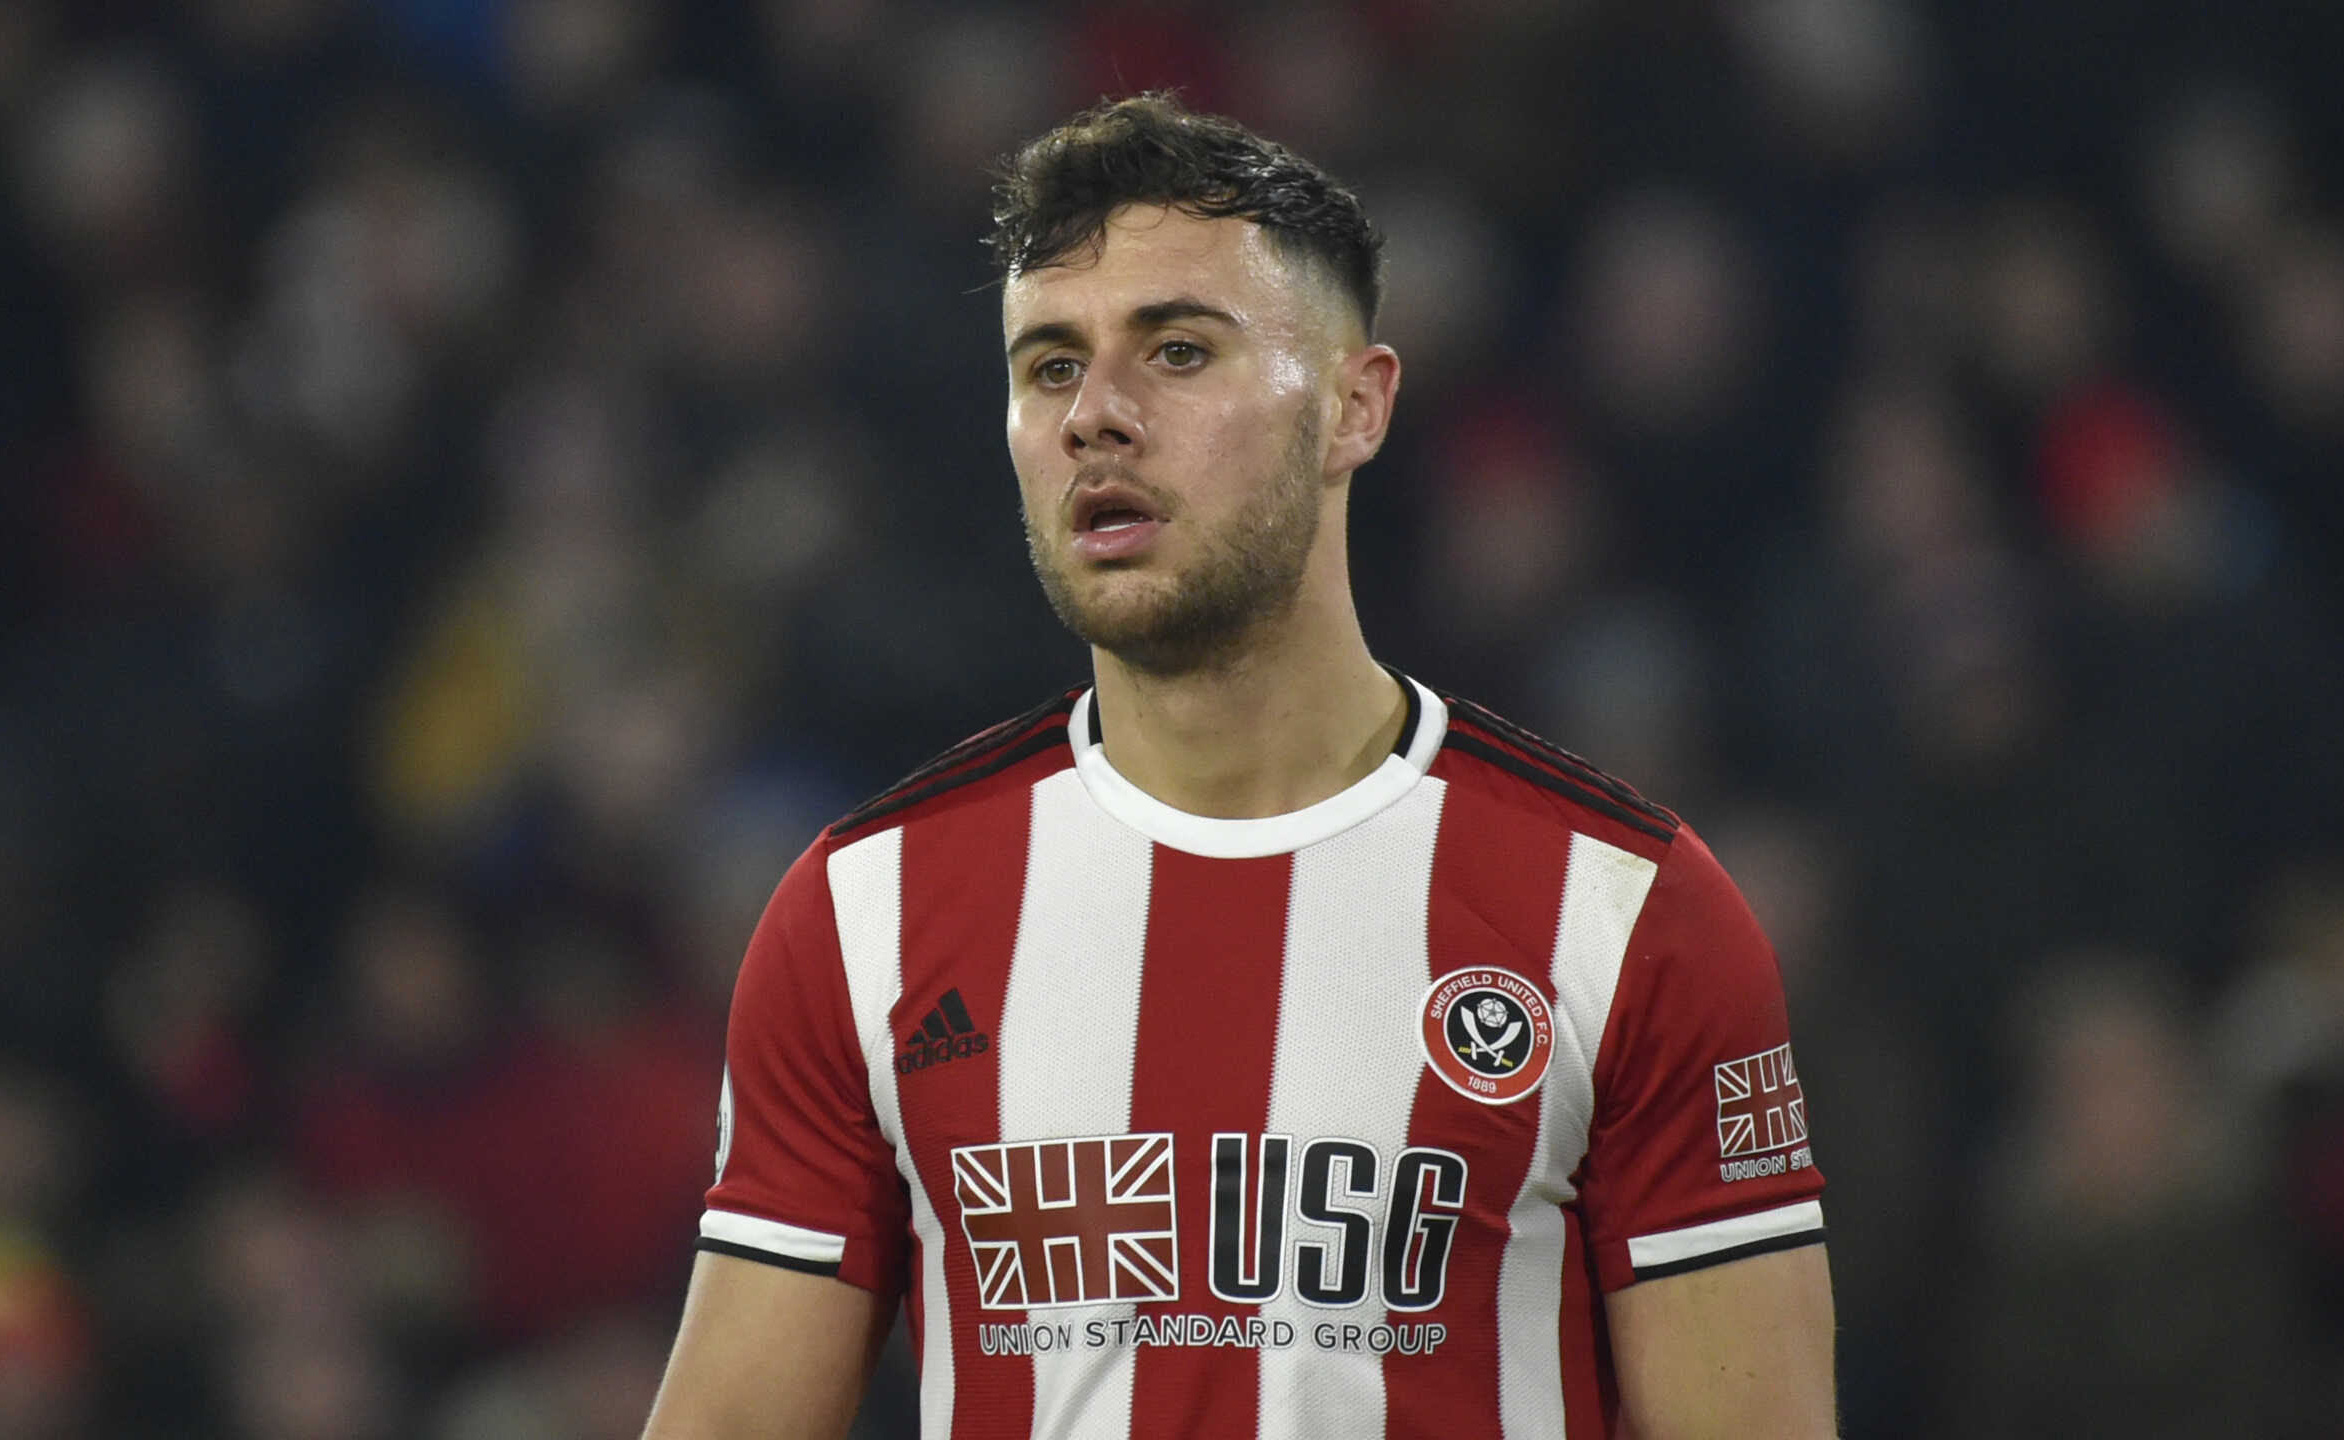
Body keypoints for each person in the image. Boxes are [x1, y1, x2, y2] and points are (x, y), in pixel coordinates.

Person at [641, 94, 1834, 1439]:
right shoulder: (863, 918)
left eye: (1179, 351)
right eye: (1049, 366)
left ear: (1354, 408)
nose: (1097, 415)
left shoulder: (1632, 916)